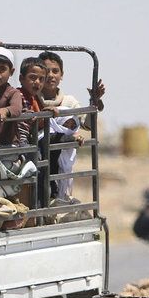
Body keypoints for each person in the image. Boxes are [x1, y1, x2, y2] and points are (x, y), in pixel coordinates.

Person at [38, 50, 105, 199]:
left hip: (62, 160)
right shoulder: (33, 98)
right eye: (47, 71)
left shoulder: (69, 102)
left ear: (62, 75)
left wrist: (94, 102)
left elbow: (87, 125)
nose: (51, 75)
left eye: (55, 71)